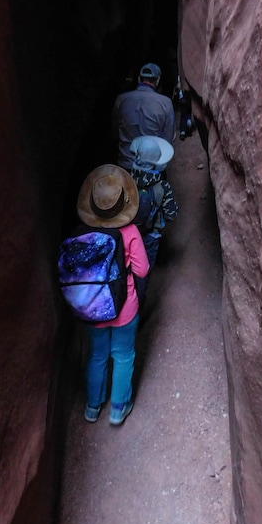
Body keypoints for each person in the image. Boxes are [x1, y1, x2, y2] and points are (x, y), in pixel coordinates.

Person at [76, 164, 150, 425]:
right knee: (123, 355)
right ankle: (118, 408)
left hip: (93, 306)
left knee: (97, 355)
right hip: (124, 307)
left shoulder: (83, 231)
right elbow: (142, 268)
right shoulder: (128, 232)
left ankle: (93, 407)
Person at [129, 135, 178, 302]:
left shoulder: (125, 179)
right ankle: (138, 306)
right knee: (142, 273)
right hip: (150, 237)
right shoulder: (162, 187)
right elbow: (171, 215)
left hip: (128, 234)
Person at [111, 62, 175, 170]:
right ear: (157, 81)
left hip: (125, 165)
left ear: (139, 79)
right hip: (151, 168)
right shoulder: (166, 103)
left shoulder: (121, 100)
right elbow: (168, 140)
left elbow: (113, 134)